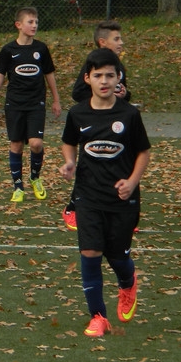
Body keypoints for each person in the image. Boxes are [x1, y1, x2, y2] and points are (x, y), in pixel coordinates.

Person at [60, 48, 149, 337]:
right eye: (98, 75)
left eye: (110, 75)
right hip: (88, 195)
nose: (104, 81)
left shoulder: (129, 114)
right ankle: (98, 317)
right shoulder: (77, 113)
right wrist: (69, 162)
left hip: (123, 199)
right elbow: (69, 142)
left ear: (118, 77)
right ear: (87, 78)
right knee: (90, 252)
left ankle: (127, 282)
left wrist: (132, 182)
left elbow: (144, 152)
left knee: (117, 256)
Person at [0, 6, 62, 203]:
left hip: (36, 103)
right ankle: (18, 187)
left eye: (36, 22)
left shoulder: (41, 49)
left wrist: (56, 99)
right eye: (30, 22)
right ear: (18, 25)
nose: (34, 25)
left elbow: (49, 74)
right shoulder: (8, 50)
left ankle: (35, 177)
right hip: (15, 104)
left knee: (36, 143)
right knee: (17, 145)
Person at [63, 20, 132, 231]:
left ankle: (121, 212)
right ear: (103, 42)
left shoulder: (118, 66)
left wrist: (125, 94)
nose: (121, 43)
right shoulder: (92, 64)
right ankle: (72, 208)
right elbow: (77, 93)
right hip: (94, 124)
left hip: (116, 123)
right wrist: (97, 100)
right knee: (91, 165)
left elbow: (123, 93)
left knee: (118, 163)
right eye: (116, 39)